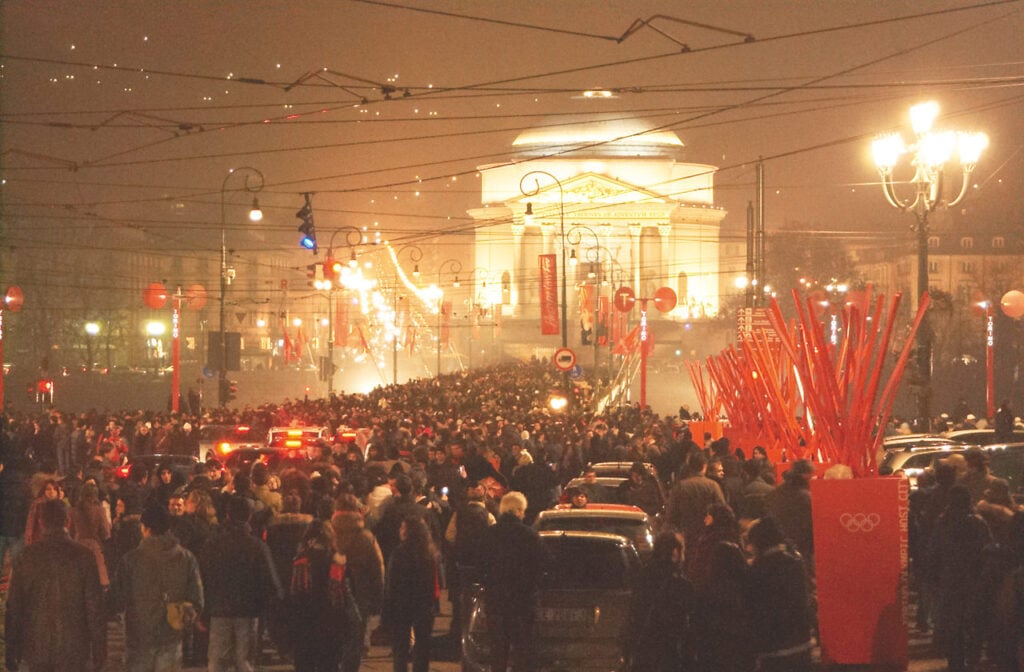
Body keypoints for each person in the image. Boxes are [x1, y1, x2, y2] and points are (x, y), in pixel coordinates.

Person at [5, 498, 107, 672]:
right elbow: (94, 607)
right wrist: (99, 649)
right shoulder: (84, 556)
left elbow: (14, 606)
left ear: (41, 522)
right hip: (74, 646)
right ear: (68, 521)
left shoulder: (26, 556)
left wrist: (11, 648)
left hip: (35, 645)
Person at [111, 500, 205, 672]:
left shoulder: (131, 560)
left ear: (145, 528)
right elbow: (197, 600)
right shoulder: (186, 558)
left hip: (139, 635)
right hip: (171, 635)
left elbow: (117, 597)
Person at [199, 495, 282, 672]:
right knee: (245, 661)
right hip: (248, 611)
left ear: (227, 515)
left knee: (218, 662)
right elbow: (270, 583)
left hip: (219, 610)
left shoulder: (212, 544)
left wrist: (203, 609)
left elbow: (202, 577)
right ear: (249, 516)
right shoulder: (257, 546)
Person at [477, 491, 550, 672]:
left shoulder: (489, 534)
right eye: (523, 511)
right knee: (522, 651)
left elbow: (479, 565)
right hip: (523, 602)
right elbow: (544, 564)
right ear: (518, 511)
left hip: (496, 601)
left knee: (498, 651)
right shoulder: (529, 535)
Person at [926, 484, 993, 672]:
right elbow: (987, 550)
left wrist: (933, 577)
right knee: (973, 621)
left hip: (950, 579)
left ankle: (955, 662)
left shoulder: (944, 522)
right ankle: (972, 658)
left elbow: (934, 551)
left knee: (953, 623)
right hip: (974, 580)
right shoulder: (978, 523)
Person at [746, 517, 814, 672]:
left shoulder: (757, 570)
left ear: (758, 542)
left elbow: (756, 610)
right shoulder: (795, 563)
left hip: (774, 648)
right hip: (801, 643)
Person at [622, 530, 697, 671]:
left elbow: (635, 610)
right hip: (670, 648)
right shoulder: (679, 583)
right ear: (675, 552)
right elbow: (690, 615)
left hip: (645, 647)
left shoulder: (644, 576)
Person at [331, 493, 385, 672]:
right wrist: (378, 597)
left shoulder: (328, 533)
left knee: (333, 635)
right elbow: (377, 569)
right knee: (356, 639)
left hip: (333, 592)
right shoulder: (366, 537)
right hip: (360, 593)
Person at [288, 518, 351, 672]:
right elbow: (345, 593)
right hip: (331, 618)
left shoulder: (301, 560)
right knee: (329, 663)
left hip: (305, 619)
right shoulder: (337, 560)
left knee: (305, 663)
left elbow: (295, 592)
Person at [384, 516, 439, 672]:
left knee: (400, 648)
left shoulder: (399, 553)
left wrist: (388, 607)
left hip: (401, 604)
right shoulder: (429, 553)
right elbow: (433, 582)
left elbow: (392, 583)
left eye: (403, 527)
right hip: (423, 604)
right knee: (422, 647)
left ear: (409, 532)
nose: (400, 530)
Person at [664, 452, 726, 544]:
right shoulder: (713, 486)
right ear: (704, 466)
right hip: (709, 534)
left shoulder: (680, 486)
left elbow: (672, 514)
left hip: (687, 534)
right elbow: (722, 510)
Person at [765, 459, 815, 571]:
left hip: (778, 540)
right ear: (805, 474)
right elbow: (810, 523)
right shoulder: (805, 496)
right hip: (801, 543)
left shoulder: (776, 492)